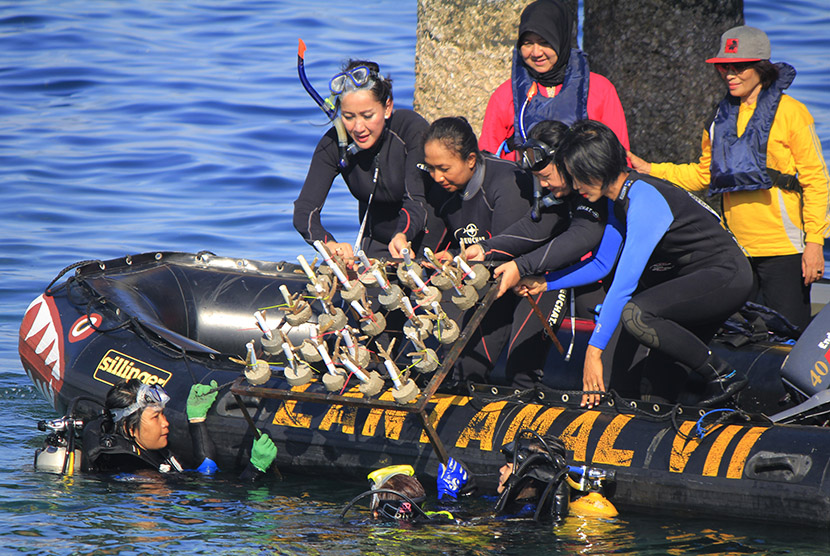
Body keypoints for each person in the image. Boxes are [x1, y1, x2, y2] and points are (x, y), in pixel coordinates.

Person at [522, 120, 753, 408]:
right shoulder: (617, 198)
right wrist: (544, 282)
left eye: (575, 175)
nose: (575, 184)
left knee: (637, 314)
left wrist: (593, 352)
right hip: (690, 284)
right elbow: (602, 264)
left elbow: (624, 282)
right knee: (653, 393)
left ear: (595, 169)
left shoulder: (643, 197)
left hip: (724, 277)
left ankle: (726, 375)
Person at [628, 26, 830, 333]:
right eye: (724, 67)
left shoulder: (793, 113)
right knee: (737, 335)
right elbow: (703, 175)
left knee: (786, 337)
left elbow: (817, 180)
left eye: (739, 67)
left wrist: (815, 242)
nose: (729, 74)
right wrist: (651, 170)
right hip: (735, 250)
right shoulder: (718, 119)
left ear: (761, 67)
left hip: (784, 251)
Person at [465, 120, 620, 387]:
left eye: (546, 177)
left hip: (619, 286)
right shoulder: (563, 193)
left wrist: (520, 266)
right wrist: (484, 249)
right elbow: (534, 229)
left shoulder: (593, 190)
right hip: (585, 276)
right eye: (539, 180)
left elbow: (582, 236)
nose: (545, 186)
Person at [418, 116, 534, 384]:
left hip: (515, 283)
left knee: (467, 371)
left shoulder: (507, 181)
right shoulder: (442, 190)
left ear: (471, 159)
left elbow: (506, 248)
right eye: (431, 168)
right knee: (444, 369)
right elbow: (435, 242)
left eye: (444, 168)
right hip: (473, 284)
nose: (436, 177)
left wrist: (458, 259)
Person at [293, 60, 443, 261]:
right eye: (348, 116)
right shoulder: (334, 144)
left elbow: (416, 202)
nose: (358, 127)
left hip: (426, 238)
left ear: (387, 107)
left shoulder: (411, 130)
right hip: (375, 243)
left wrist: (402, 235)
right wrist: (329, 244)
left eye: (367, 115)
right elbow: (304, 211)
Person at [479, 0, 629, 160]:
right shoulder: (505, 95)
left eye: (545, 42)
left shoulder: (601, 89)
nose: (536, 52)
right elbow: (488, 158)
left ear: (561, 39)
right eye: (527, 43)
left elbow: (620, 156)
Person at [81, 379, 277, 480]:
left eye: (163, 415)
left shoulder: (145, 449)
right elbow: (207, 502)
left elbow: (204, 474)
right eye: (156, 417)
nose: (166, 423)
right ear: (129, 428)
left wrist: (197, 420)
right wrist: (254, 470)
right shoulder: (136, 471)